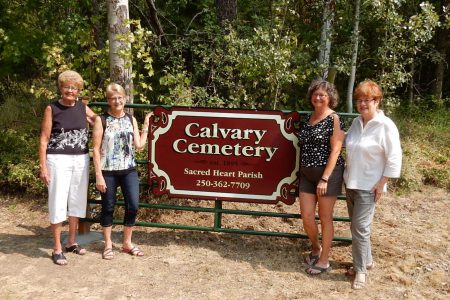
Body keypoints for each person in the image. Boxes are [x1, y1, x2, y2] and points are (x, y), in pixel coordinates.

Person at [344, 80, 402, 289]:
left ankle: (360, 271)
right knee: (358, 227)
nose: (362, 104)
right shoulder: (356, 123)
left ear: (377, 101)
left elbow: (394, 157)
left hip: (369, 186)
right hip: (351, 182)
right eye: (359, 100)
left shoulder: (386, 125)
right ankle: (367, 261)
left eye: (367, 100)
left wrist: (382, 183)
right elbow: (346, 142)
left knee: (360, 228)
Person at [39, 70, 96, 265]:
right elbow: (44, 139)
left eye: (74, 88)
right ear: (61, 88)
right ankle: (56, 248)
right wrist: (43, 167)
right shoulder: (52, 108)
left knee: (77, 200)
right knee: (57, 201)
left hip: (80, 159)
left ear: (79, 90)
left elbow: (97, 121)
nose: (70, 90)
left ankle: (71, 241)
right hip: (57, 160)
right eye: (67, 87)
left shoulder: (82, 107)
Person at [92, 83, 151, 260]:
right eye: (112, 98)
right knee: (108, 207)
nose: (116, 101)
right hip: (108, 171)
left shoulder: (131, 119)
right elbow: (95, 149)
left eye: (119, 97)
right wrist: (98, 175)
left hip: (128, 170)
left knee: (133, 205)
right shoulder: (101, 120)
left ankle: (127, 243)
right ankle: (108, 244)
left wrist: (146, 125)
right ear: (108, 101)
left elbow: (139, 146)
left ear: (124, 99)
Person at [298, 79, 345, 275]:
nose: (318, 98)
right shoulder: (309, 117)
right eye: (315, 94)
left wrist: (325, 178)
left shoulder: (334, 118)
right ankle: (316, 247)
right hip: (307, 174)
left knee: (325, 218)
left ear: (330, 98)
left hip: (328, 175)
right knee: (307, 216)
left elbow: (336, 150)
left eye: (322, 95)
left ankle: (324, 260)